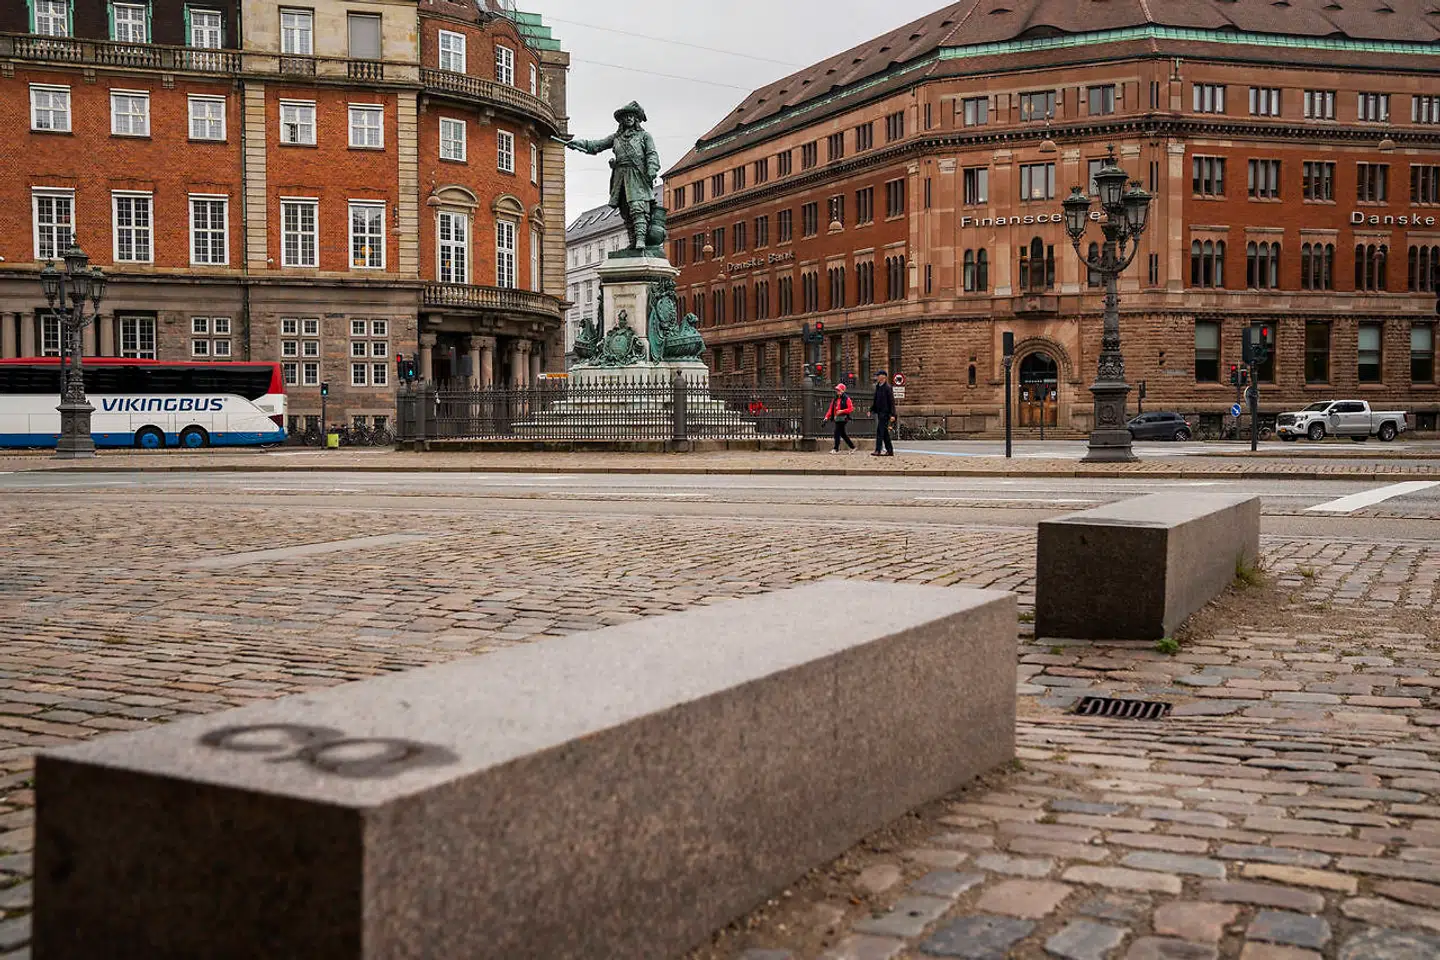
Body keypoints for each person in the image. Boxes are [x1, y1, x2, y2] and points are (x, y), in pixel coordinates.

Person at [823, 383, 855, 454]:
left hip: (844, 418)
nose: (837, 391)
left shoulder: (847, 399)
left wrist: (841, 411)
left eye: (839, 390)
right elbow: (831, 409)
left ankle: (836, 449)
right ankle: (852, 447)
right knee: (843, 434)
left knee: (836, 432)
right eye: (837, 390)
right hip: (837, 418)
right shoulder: (835, 399)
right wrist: (826, 417)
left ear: (843, 391)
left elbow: (850, 409)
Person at [870, 370, 896, 457]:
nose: (877, 377)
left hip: (885, 413)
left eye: (878, 375)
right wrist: (871, 410)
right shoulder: (878, 387)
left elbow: (891, 402)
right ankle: (890, 450)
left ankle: (878, 450)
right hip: (879, 412)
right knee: (884, 432)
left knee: (880, 431)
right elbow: (876, 400)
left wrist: (893, 414)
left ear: (883, 377)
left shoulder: (887, 387)